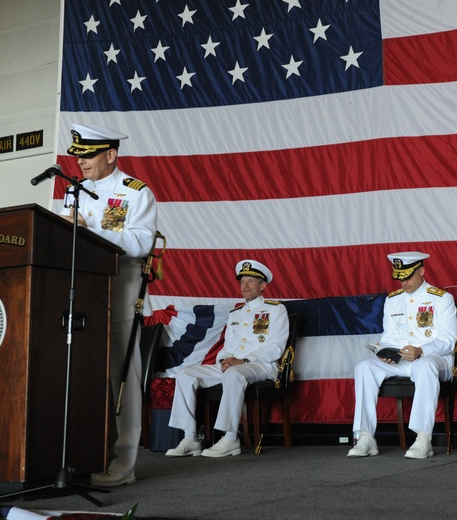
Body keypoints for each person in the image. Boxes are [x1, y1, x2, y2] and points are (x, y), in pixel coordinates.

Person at [61, 123, 158, 487]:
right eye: (78, 155)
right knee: (83, 379)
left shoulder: (135, 193)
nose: (81, 162)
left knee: (123, 382)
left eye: (87, 155)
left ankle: (124, 464)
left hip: (119, 298)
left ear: (110, 155)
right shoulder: (75, 191)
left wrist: (90, 230)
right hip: (81, 296)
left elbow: (140, 243)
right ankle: (84, 456)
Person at [166, 260, 289, 458]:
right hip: (233, 365)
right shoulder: (235, 313)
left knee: (233, 373)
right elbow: (227, 346)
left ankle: (230, 438)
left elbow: (276, 347)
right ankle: (190, 438)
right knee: (185, 373)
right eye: (242, 282)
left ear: (263, 285)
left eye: (250, 281)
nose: (245, 286)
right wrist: (224, 359)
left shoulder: (275, 310)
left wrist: (244, 361)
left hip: (261, 365)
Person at [348, 252, 457, 460]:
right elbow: (389, 336)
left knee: (424, 366)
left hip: (434, 359)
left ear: (422, 271)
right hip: (402, 360)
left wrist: (421, 351)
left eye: (407, 276)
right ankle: (366, 436)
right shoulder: (393, 300)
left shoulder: (441, 299)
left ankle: (423, 437)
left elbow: (448, 340)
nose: (403, 282)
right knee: (365, 367)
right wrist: (386, 352)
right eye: (399, 277)